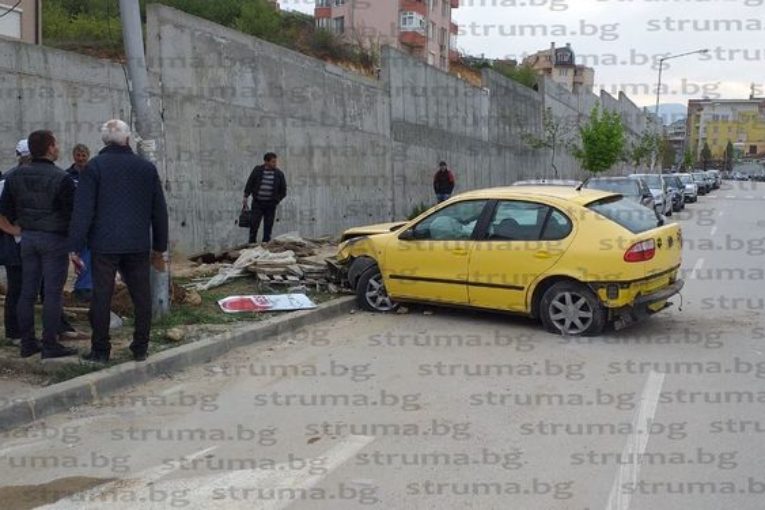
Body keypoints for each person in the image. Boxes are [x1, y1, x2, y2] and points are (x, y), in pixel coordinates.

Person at [69, 119, 169, 363]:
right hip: (137, 244)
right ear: (127, 140)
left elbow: (83, 211)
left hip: (104, 245)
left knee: (101, 296)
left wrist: (74, 246)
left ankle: (101, 351)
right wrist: (159, 247)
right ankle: (140, 348)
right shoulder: (146, 169)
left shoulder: (94, 167)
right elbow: (159, 211)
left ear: (104, 141)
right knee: (141, 296)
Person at [0, 131, 77, 359]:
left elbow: (5, 211)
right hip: (54, 240)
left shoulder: (14, 177)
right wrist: (75, 246)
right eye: (55, 143)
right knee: (52, 294)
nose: (58, 147)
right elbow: (71, 214)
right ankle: (51, 344)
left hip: (28, 239)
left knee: (26, 292)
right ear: (50, 148)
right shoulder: (62, 178)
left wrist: (17, 230)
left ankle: (27, 343)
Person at [0, 140, 30, 345]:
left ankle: (21, 329)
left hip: (26, 241)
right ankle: (13, 332)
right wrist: (12, 230)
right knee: (17, 287)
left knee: (24, 288)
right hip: (13, 243)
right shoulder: (7, 181)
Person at [66, 144, 93, 302]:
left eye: (83, 155)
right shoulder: (67, 176)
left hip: (89, 221)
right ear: (73, 156)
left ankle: (84, 286)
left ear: (88, 156)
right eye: (78, 155)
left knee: (87, 253)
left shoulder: (93, 174)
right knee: (74, 254)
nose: (81, 158)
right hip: (72, 221)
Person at [242, 152, 287, 244]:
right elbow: (250, 183)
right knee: (254, 224)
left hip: (270, 205)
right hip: (257, 203)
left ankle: (266, 244)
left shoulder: (279, 174)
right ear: (266, 162)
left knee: (268, 226)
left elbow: (283, 191)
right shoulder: (257, 170)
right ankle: (252, 244)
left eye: (275, 162)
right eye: (273, 162)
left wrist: (276, 200)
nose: (275, 164)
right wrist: (246, 196)